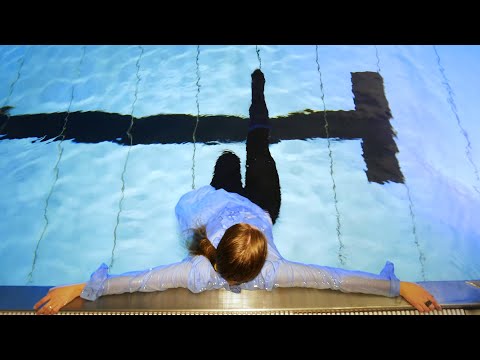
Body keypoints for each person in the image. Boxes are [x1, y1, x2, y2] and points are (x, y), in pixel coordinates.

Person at [34, 69, 441, 315]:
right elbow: (336, 279)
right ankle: (257, 98)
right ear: (263, 250)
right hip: (264, 204)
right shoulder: (276, 271)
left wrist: (82, 289)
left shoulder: (196, 267)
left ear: (224, 242)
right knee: (257, 147)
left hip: (218, 198)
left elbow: (140, 282)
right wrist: (396, 286)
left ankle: (232, 150)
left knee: (228, 161)